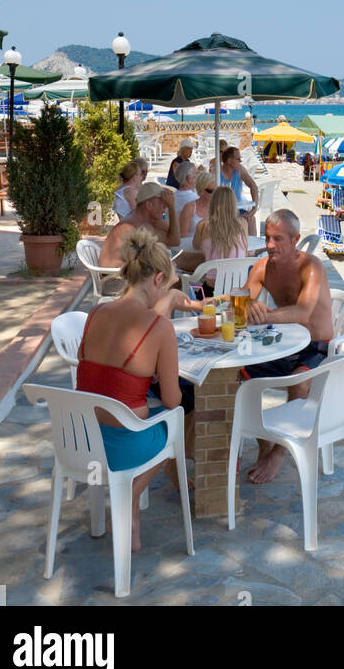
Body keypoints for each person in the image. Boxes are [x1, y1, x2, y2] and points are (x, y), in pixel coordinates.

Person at [77, 230, 184, 550]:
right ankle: (129, 497)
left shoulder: (95, 313)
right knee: (176, 417)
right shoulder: (159, 327)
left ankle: (131, 510)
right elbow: (171, 399)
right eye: (168, 287)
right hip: (122, 445)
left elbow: (101, 374)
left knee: (139, 406)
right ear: (158, 278)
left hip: (81, 440)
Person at [237, 209, 335, 483]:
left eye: (278, 239)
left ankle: (279, 452)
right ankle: (264, 444)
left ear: (295, 240)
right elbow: (241, 301)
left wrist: (264, 314)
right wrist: (248, 304)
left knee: (299, 380)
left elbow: (303, 313)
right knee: (239, 374)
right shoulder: (262, 267)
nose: (270, 245)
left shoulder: (311, 267)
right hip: (286, 345)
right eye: (267, 238)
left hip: (318, 346)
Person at [99, 182, 180, 267]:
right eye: (162, 202)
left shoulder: (143, 216)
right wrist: (172, 209)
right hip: (114, 276)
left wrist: (167, 212)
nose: (165, 206)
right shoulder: (138, 225)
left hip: (121, 272)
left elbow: (174, 239)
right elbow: (174, 241)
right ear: (149, 205)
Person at [188, 186, 248, 282]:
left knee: (182, 261)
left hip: (213, 293)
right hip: (237, 289)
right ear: (234, 204)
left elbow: (196, 246)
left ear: (212, 203)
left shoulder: (203, 226)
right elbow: (246, 249)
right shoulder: (243, 224)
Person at [220, 146, 259, 236]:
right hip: (222, 211)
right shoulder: (217, 173)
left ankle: (253, 249)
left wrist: (254, 208)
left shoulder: (240, 170)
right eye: (238, 159)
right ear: (229, 161)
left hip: (237, 209)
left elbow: (253, 185)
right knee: (240, 221)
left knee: (251, 219)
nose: (240, 161)